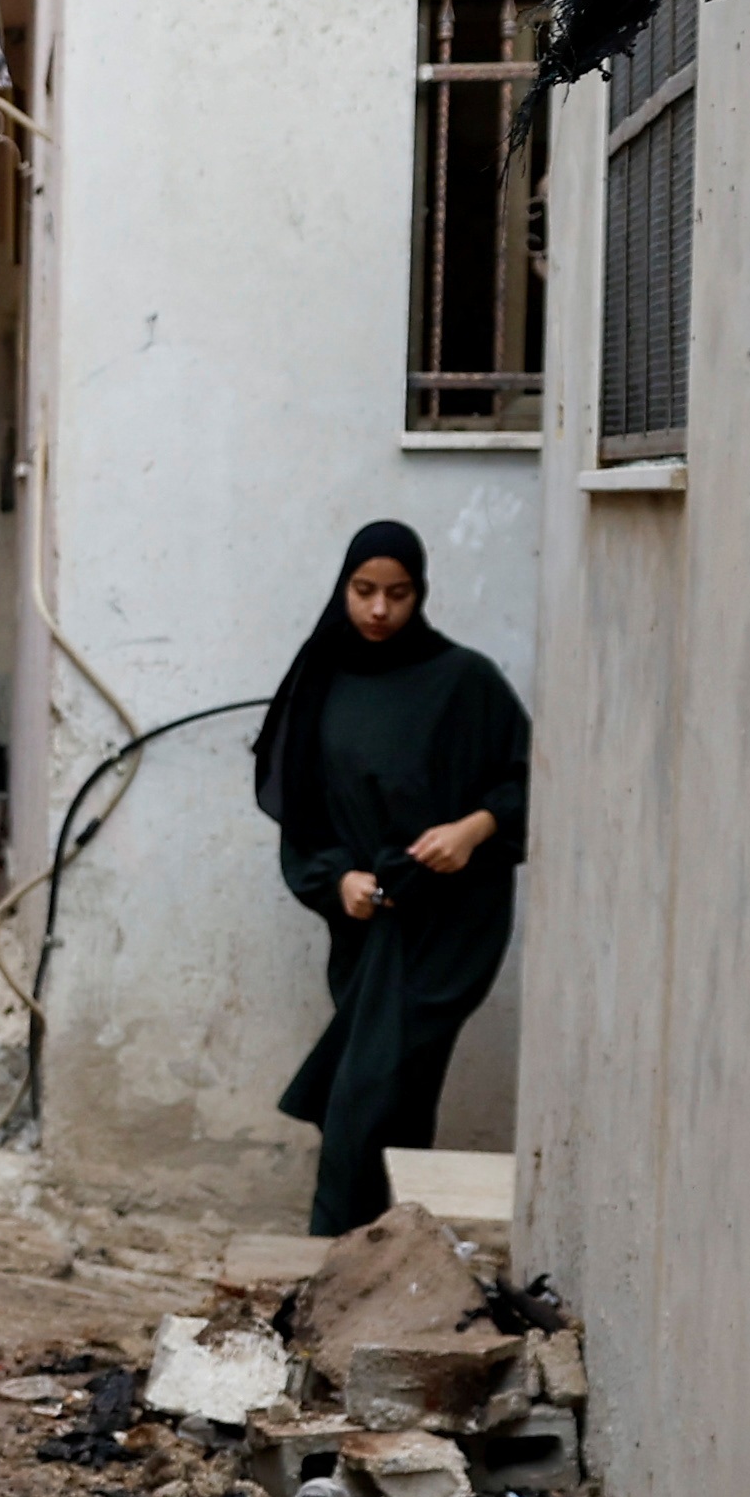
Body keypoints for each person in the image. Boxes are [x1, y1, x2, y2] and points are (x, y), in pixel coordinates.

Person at [257, 518, 533, 1235]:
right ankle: (387, 1254)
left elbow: (529, 779)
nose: (379, 610)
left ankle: (335, 1253)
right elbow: (304, 815)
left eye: (398, 594)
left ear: (421, 594)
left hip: (450, 922)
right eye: (364, 591)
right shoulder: (321, 678)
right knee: (391, 1096)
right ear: (343, 589)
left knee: (366, 1092)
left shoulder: (464, 681)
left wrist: (472, 830)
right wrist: (337, 879)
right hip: (366, 928)